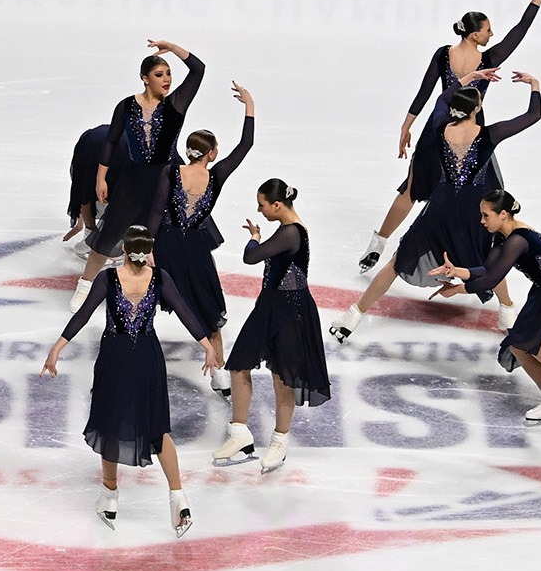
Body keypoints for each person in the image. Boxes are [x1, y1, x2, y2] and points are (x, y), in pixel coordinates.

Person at [358, 0, 541, 273]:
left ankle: (378, 243)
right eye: (487, 30)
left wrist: (407, 127)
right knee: (476, 196)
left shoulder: (443, 54)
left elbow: (424, 92)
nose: (492, 34)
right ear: (474, 35)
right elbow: (521, 31)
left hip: (437, 128)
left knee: (413, 189)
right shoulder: (489, 57)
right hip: (471, 134)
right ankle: (474, 261)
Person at [330, 73, 541, 343]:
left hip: (439, 209)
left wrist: (468, 77)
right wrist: (534, 85)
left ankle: (353, 314)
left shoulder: (441, 126)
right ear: (477, 110)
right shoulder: (489, 134)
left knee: (397, 262)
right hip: (473, 213)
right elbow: (533, 115)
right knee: (488, 261)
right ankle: (507, 311)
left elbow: (441, 98)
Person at [42, 225, 217, 537]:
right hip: (148, 359)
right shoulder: (160, 277)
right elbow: (186, 312)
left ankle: (109, 497)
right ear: (148, 251)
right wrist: (207, 345)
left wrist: (57, 348)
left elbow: (82, 314)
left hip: (115, 358)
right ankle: (179, 497)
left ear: (123, 250)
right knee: (158, 427)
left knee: (110, 422)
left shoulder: (108, 279)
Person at [428, 190, 541, 422]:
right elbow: (488, 270)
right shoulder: (502, 237)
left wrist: (457, 289)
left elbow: (491, 281)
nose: (482, 221)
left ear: (503, 214)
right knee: (518, 345)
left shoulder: (518, 239)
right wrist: (458, 272)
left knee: (536, 343)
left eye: (486, 215)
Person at [71, 41, 204, 311]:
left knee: (178, 235)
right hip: (133, 180)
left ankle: (188, 289)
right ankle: (85, 284)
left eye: (168, 74)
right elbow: (109, 142)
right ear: (145, 79)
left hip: (167, 179)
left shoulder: (175, 105)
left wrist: (171, 47)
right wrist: (101, 178)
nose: (166, 80)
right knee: (109, 235)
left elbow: (198, 70)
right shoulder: (126, 106)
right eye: (159, 75)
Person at [211, 180, 331, 473]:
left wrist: (254, 238)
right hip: (269, 306)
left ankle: (280, 440)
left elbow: (251, 257)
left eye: (262, 205)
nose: (259, 209)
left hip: (292, 310)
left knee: (282, 376)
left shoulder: (292, 232)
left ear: (277, 205)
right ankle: (239, 431)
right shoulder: (286, 230)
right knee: (239, 364)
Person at [148, 82, 256, 384]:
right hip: (195, 250)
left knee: (149, 301)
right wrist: (249, 106)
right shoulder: (217, 174)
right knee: (208, 312)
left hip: (166, 245)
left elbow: (156, 212)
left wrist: (149, 250)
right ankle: (219, 375)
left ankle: (134, 358)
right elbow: (245, 146)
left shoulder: (171, 172)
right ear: (211, 153)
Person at [62, 124, 110, 259]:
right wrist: (80, 224)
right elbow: (82, 190)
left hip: (113, 148)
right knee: (88, 186)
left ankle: (92, 236)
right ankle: (90, 235)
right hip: (93, 144)